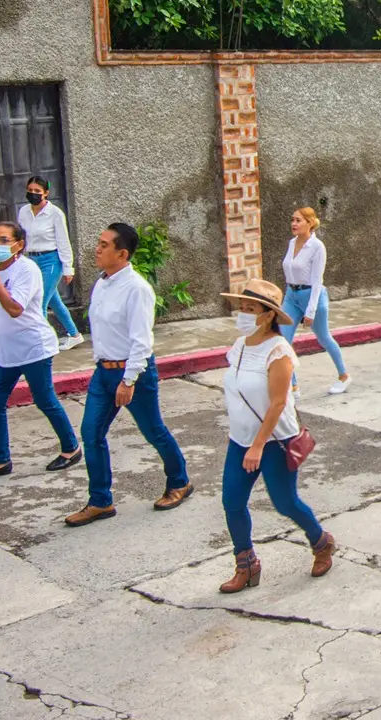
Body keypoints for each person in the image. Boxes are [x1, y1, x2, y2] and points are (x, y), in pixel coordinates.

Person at [66, 223, 192, 527]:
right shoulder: (102, 283)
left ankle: (180, 481)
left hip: (133, 372)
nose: (97, 249)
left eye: (104, 245)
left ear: (122, 254)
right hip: (103, 373)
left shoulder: (137, 289)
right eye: (98, 242)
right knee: (91, 433)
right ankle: (100, 501)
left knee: (153, 430)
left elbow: (141, 341)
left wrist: (128, 380)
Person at [217, 279, 336, 593]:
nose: (243, 313)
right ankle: (246, 565)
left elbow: (278, 402)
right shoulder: (240, 346)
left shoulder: (279, 351)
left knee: (285, 503)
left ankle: (321, 542)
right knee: (232, 502)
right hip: (240, 439)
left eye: (250, 308)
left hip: (273, 443)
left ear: (268, 314)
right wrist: (243, 437)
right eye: (241, 307)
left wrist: (258, 445)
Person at [0, 221, 81, 482]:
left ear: (19, 245)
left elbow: (15, 309)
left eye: (4, 240)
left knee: (44, 399)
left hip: (33, 348)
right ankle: (0, 460)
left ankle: (71, 448)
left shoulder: (26, 270)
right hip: (6, 352)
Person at [279, 208, 351, 398]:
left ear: (310, 223)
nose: (294, 224)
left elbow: (317, 281)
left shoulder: (317, 247)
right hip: (291, 296)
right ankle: (293, 385)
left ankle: (343, 375)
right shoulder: (292, 243)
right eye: (293, 220)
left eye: (298, 220)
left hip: (312, 295)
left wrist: (310, 311)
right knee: (283, 339)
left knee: (323, 337)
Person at [17, 176, 84, 351]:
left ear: (46, 193)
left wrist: (68, 268)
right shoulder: (24, 212)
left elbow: (63, 241)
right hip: (32, 260)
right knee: (54, 302)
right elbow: (21, 238)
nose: (33, 194)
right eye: (30, 190)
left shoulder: (55, 213)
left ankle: (41, 342)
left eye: (37, 191)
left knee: (39, 302)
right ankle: (75, 335)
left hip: (51, 261)